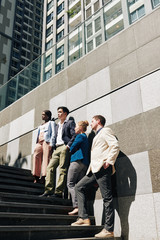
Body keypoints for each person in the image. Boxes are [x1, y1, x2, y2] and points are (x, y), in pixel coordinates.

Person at [71, 115, 120, 239]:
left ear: (98, 121)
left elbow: (115, 145)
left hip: (103, 169)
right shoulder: (97, 135)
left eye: (92, 121)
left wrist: (109, 161)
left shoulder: (105, 131)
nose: (91, 123)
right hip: (94, 170)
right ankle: (84, 218)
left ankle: (109, 229)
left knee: (107, 198)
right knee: (79, 187)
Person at [40, 106, 76, 198]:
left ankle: (58, 192)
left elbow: (74, 135)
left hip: (64, 147)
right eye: (58, 112)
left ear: (65, 114)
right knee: (49, 168)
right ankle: (48, 190)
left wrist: (68, 146)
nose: (58, 114)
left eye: (60, 112)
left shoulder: (70, 123)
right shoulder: (56, 125)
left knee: (62, 169)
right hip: (56, 148)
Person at [67, 120, 90, 215]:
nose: (74, 128)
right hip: (84, 163)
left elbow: (71, 148)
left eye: (76, 126)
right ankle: (81, 209)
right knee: (79, 187)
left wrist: (71, 148)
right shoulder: (85, 137)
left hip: (76, 161)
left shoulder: (79, 136)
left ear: (80, 127)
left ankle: (76, 206)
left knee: (70, 184)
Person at [32, 110, 56, 184]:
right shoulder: (40, 125)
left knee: (46, 159)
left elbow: (53, 134)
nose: (42, 116)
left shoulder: (51, 123)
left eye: (43, 114)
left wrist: (51, 144)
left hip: (47, 141)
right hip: (39, 142)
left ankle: (43, 176)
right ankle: (36, 175)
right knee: (36, 155)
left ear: (47, 116)